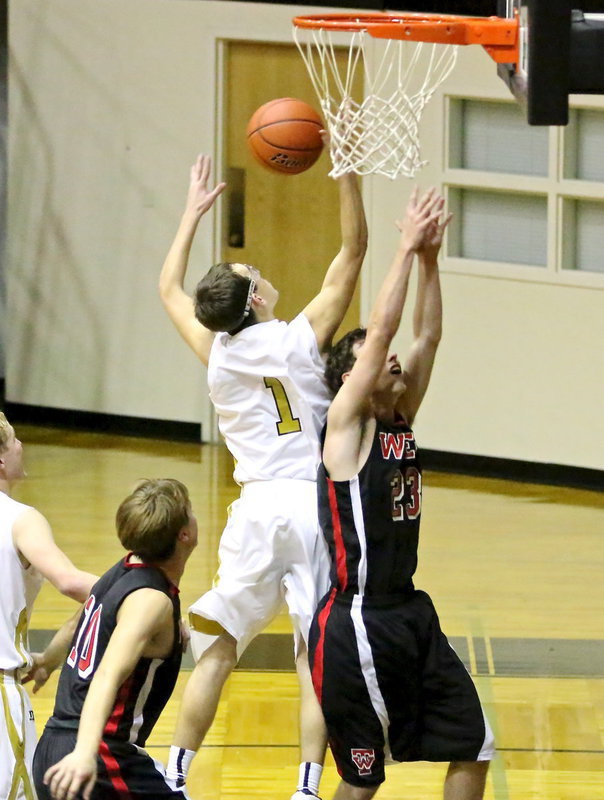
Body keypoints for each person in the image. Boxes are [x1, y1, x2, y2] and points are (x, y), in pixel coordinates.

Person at [159, 153, 367, 798]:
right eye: (256, 274)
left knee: (220, 651)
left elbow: (168, 290)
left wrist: (192, 213)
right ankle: (306, 788)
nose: (263, 275)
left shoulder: (217, 354)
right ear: (254, 297)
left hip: (253, 511)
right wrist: (347, 173)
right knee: (312, 657)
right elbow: (352, 253)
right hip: (311, 507)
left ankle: (175, 775)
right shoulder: (302, 338)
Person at [309, 188, 495, 800]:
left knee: (473, 742)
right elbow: (389, 323)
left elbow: (427, 335)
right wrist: (403, 248)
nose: (391, 358)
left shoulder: (399, 417)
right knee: (363, 779)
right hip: (358, 620)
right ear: (347, 380)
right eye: (374, 357)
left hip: (410, 611)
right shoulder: (346, 427)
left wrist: (432, 261)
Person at [32, 477, 198, 800]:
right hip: (99, 757)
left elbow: (78, 622)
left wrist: (47, 660)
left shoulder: (121, 571)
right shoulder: (152, 600)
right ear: (185, 534)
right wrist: (84, 753)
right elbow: (107, 675)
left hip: (53, 746)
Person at [0, 412, 97, 800]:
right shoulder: (20, 520)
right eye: (13, 440)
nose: (22, 445)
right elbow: (71, 582)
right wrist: (146, 588)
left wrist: (51, 656)